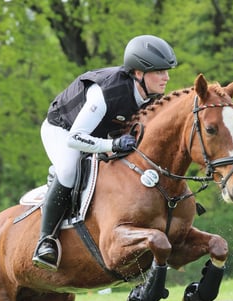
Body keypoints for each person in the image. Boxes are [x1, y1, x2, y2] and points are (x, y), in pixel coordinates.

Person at [32, 34, 178, 270]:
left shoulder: (152, 97)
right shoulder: (106, 92)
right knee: (69, 170)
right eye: (160, 71)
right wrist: (111, 146)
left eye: (167, 71)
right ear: (139, 73)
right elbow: (75, 138)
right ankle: (45, 240)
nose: (166, 77)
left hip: (101, 135)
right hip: (63, 130)